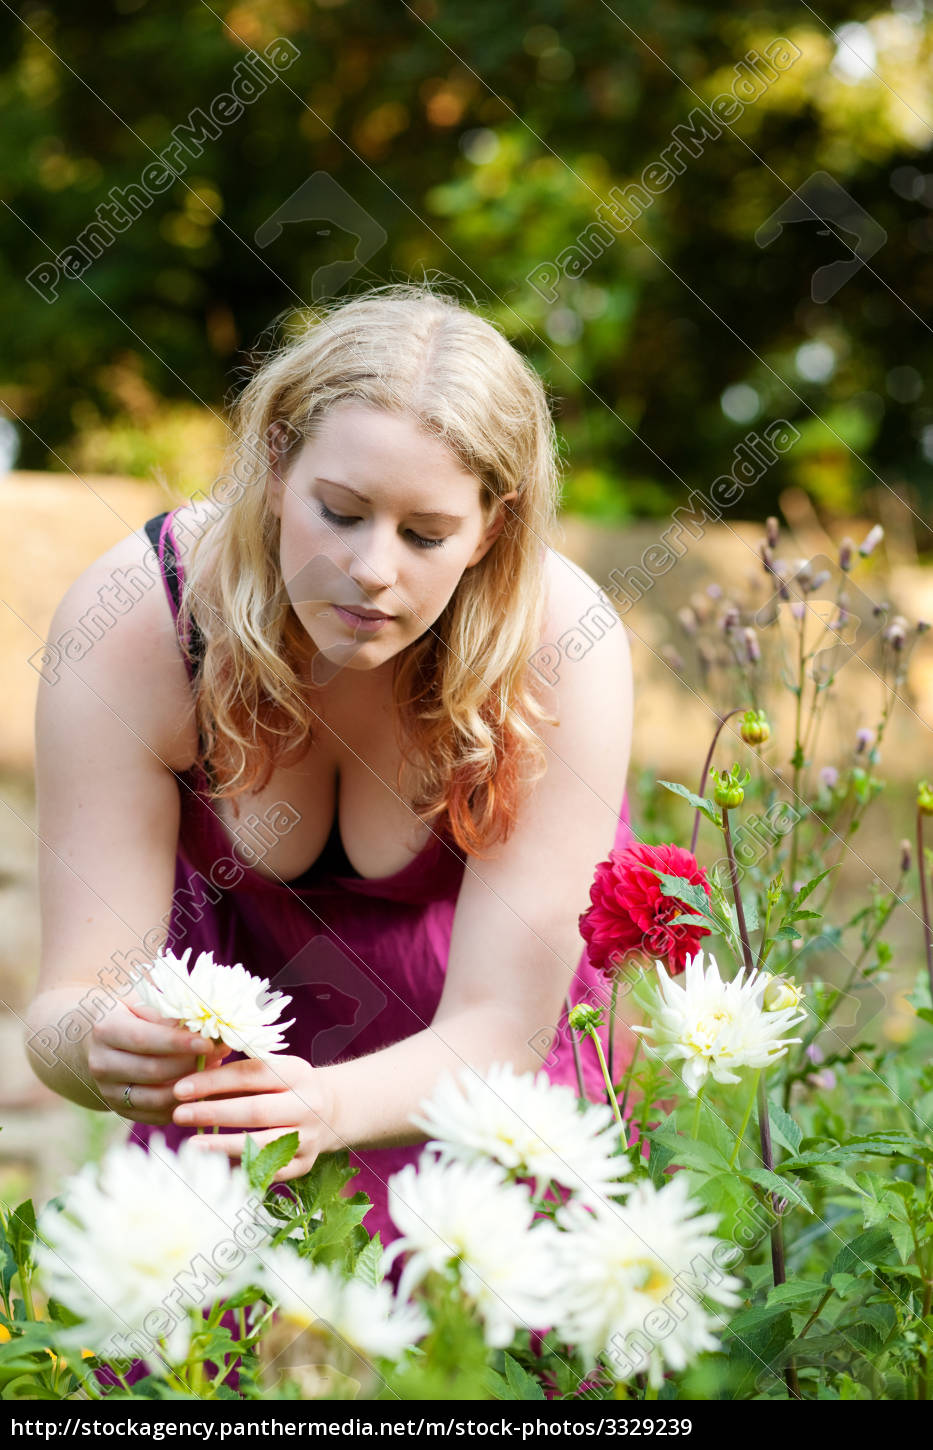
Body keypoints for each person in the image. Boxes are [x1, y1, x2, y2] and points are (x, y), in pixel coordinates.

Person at [26, 283, 633, 1258]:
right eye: (339, 512)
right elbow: (62, 1007)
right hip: (236, 1106)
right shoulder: (144, 623)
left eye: (425, 535)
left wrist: (322, 1106)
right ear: (275, 462)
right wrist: (104, 1042)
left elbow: (503, 1027)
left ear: (493, 526)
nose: (371, 570)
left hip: (475, 1092)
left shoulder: (564, 649)